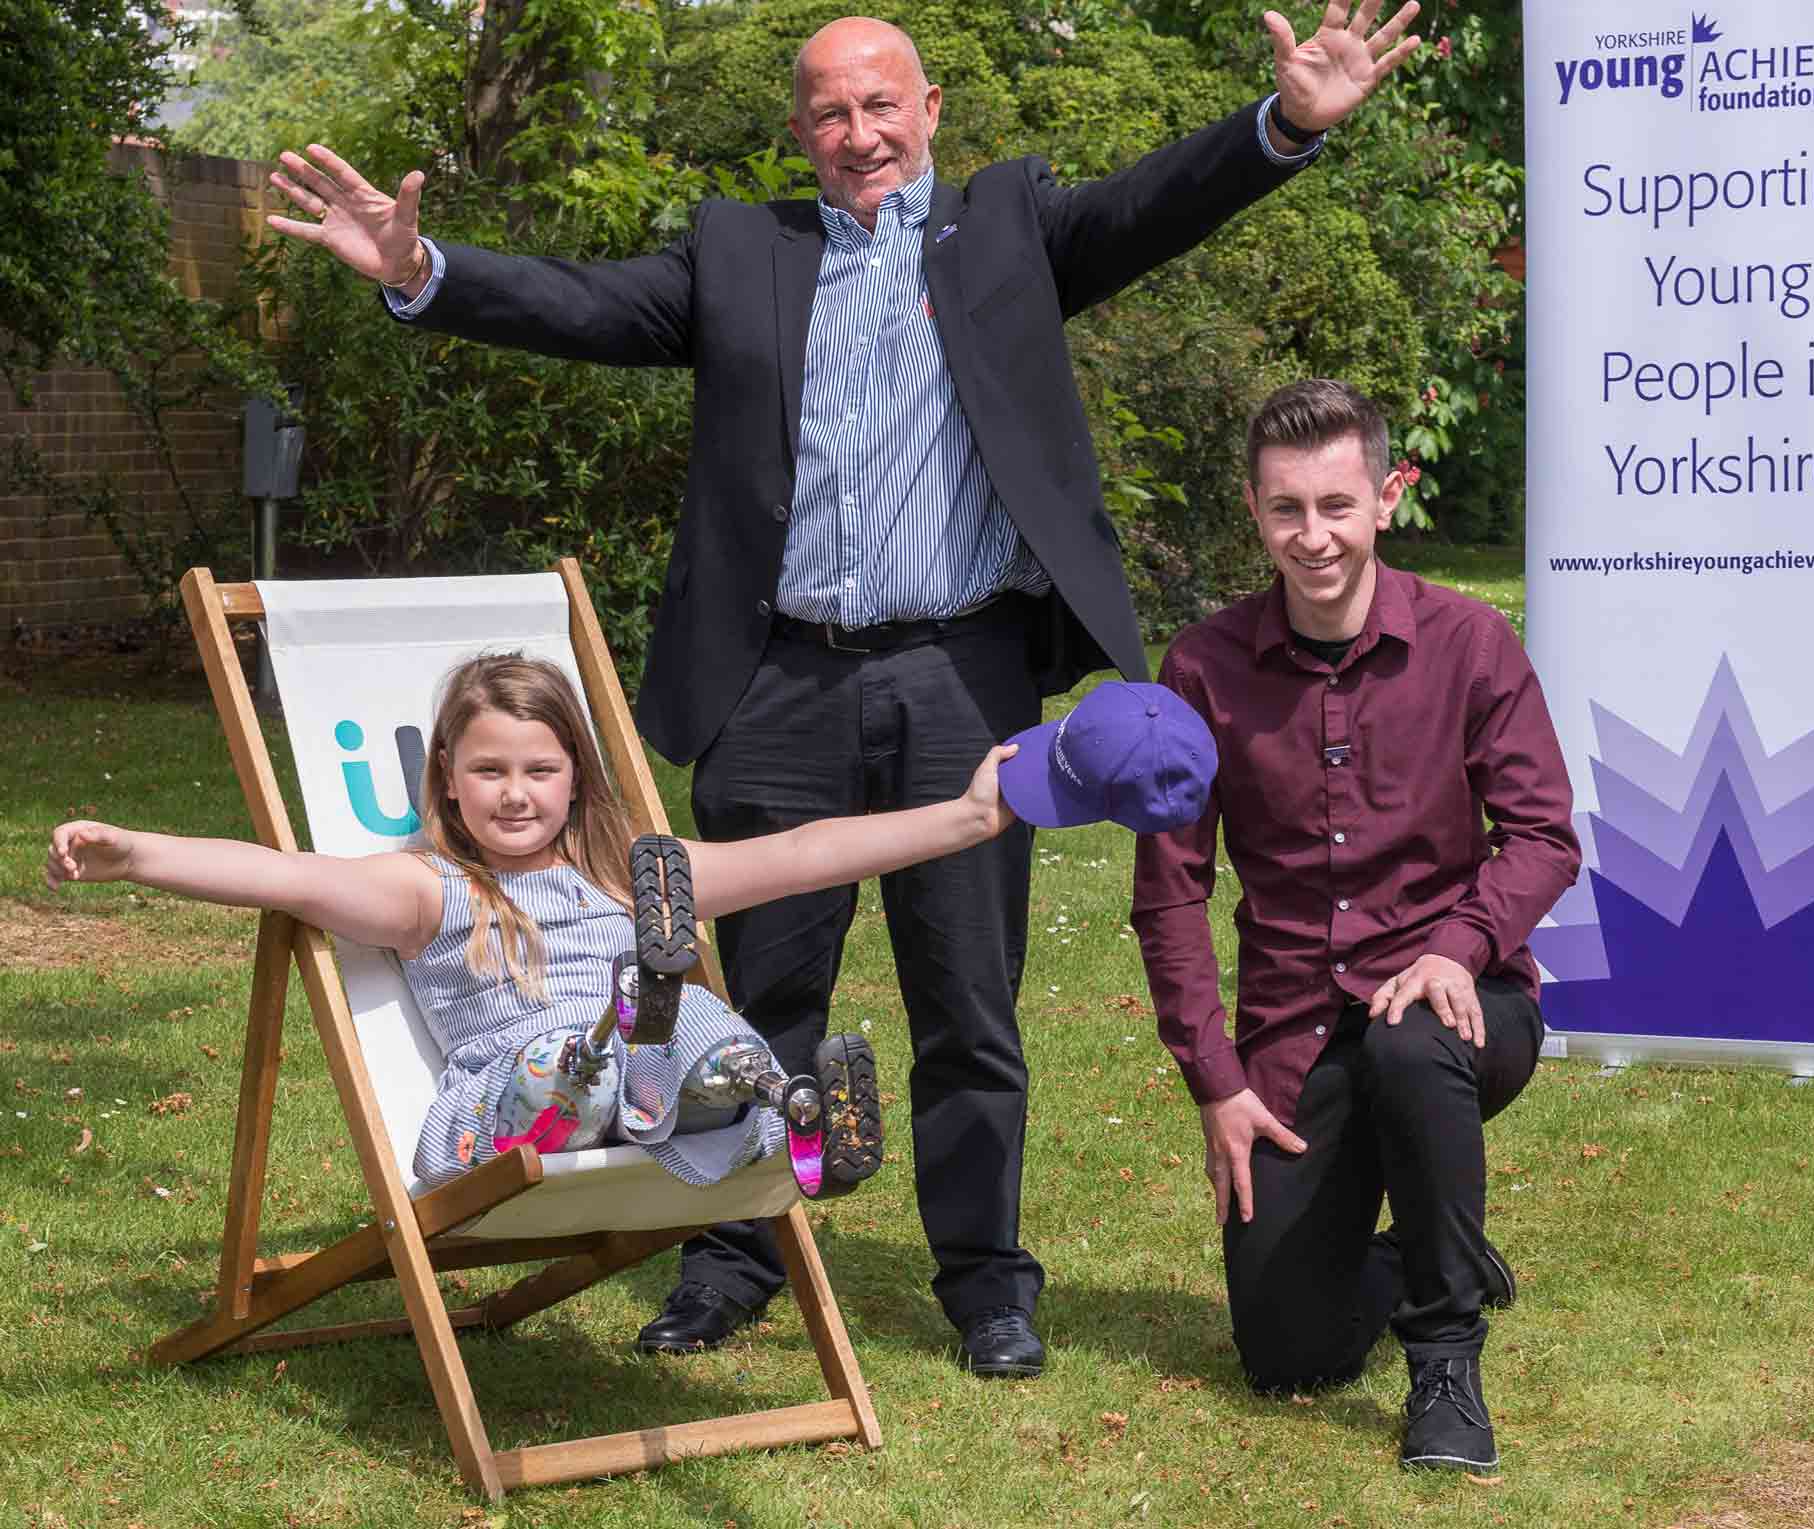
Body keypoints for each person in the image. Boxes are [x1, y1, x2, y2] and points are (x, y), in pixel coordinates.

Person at [258, 1, 1425, 1377]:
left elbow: (1153, 205)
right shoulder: (741, 251)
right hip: (776, 679)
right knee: (752, 994)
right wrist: (425, 270)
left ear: (929, 111)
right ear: (800, 132)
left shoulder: (1009, 231)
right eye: (829, 112)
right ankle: (733, 1257)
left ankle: (986, 1278)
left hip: (960, 666)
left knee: (969, 1001)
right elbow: (585, 304)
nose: (860, 134)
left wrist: (1285, 123)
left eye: (883, 106)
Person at [45, 654, 1016, 1206]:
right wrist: (136, 852)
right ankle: (646, 1062)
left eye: (540, 770)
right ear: (449, 782)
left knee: (694, 1024)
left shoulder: (630, 877)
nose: (514, 793)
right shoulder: (427, 887)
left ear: (575, 780)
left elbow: (805, 852)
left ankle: (774, 1100)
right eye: (489, 770)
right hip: (511, 1104)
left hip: (659, 1083)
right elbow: (284, 873)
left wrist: (964, 817)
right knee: (584, 1050)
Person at [1131, 380, 1580, 1471]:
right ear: (1253, 509)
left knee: (1407, 1033)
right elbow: (1167, 891)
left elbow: (1541, 834)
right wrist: (1216, 1080)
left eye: (1335, 505)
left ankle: (1444, 1358)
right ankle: (1439, 1251)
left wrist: (1456, 944)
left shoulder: (1469, 643)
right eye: (1286, 509)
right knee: (1285, 1353)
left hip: (1466, 1007)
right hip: (1291, 1031)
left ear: (1386, 495)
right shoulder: (1199, 668)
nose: (1312, 535)